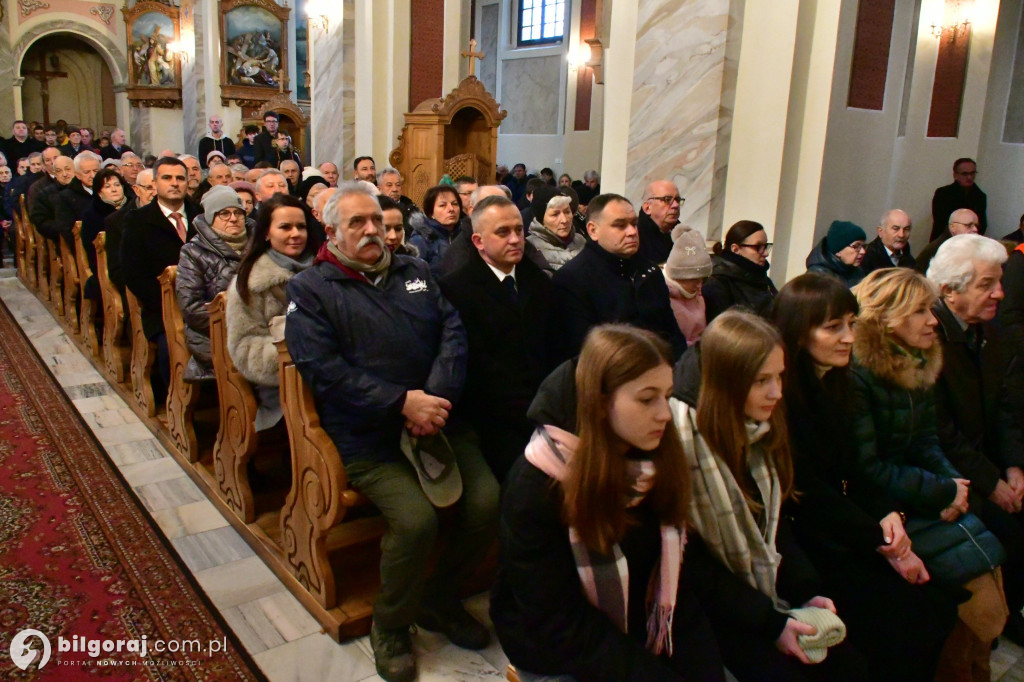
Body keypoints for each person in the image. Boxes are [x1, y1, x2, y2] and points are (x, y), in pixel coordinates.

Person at [285, 183, 498, 682]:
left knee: (488, 501)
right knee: (416, 521)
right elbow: (323, 370)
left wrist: (435, 398)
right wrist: (402, 402)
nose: (370, 231)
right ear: (333, 231)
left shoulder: (415, 270)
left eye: (376, 222)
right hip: (369, 435)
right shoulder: (312, 289)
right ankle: (390, 623)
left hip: (437, 421)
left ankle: (439, 598)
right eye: (357, 223)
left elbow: (452, 332)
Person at [492, 324, 725, 681]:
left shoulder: (652, 456)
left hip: (637, 627)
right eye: (647, 399)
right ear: (600, 404)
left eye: (667, 395)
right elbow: (559, 624)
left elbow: (680, 575)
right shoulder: (536, 485)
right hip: (555, 650)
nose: (665, 413)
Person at [771, 273, 958, 681]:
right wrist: (883, 542)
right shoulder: (782, 394)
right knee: (905, 620)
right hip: (805, 537)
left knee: (937, 606)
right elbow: (809, 492)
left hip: (841, 522)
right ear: (799, 333)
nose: (848, 338)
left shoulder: (837, 383)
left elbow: (855, 468)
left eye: (852, 324)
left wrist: (887, 515)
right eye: (833, 327)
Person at [674, 310, 868, 681]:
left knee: (851, 664)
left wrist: (804, 592)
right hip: (708, 608)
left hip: (758, 593)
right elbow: (690, 563)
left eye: (779, 376)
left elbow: (774, 523)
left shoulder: (759, 426)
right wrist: (769, 621)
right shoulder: (681, 442)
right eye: (761, 380)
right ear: (726, 382)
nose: (777, 392)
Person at [849, 268, 1009, 681]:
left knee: (988, 560)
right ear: (887, 317)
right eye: (921, 311)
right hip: (883, 506)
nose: (933, 320)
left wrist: (956, 488)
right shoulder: (859, 375)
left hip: (917, 493)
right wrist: (942, 491)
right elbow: (867, 468)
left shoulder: (917, 361)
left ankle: (975, 668)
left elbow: (926, 442)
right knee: (968, 598)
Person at [927, 234, 1024, 644]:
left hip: (984, 464)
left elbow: (1006, 409)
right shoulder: (930, 338)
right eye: (987, 284)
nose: (1000, 293)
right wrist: (993, 483)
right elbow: (941, 432)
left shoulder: (991, 332)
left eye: (999, 282)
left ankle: (1005, 617)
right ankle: (987, 627)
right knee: (1006, 531)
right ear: (950, 290)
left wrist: (1015, 465)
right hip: (950, 473)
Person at [439, 195, 556, 480]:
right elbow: (475, 367)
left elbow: (553, 346)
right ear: (479, 241)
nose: (515, 239)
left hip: (542, 405)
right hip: (489, 416)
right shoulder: (457, 289)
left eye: (519, 230)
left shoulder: (538, 280)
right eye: (503, 232)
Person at [552, 193, 686, 361]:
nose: (632, 232)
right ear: (593, 230)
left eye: (634, 224)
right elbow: (583, 353)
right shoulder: (571, 280)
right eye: (620, 225)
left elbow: (672, 333)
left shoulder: (649, 271)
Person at [227, 194, 314, 430]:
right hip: (283, 386)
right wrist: (299, 353)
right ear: (266, 233)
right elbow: (244, 347)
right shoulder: (251, 282)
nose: (295, 234)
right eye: (285, 227)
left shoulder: (322, 269)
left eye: (301, 227)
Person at [121, 157, 202, 387]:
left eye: (180, 178)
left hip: (203, 304)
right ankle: (178, 400)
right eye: (167, 178)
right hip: (162, 308)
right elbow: (134, 275)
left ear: (188, 183)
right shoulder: (138, 220)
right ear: (155, 184)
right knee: (173, 345)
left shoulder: (201, 215)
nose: (174, 183)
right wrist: (173, 303)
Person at [176, 185, 253, 380]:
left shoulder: (261, 243)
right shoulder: (192, 252)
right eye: (224, 214)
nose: (234, 219)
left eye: (238, 212)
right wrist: (243, 320)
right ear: (210, 218)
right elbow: (191, 308)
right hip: (214, 336)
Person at [703, 220, 778, 322]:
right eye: (758, 247)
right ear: (735, 249)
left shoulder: (763, 279)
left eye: (766, 246)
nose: (765, 253)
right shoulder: (718, 283)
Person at [79, 168, 129, 309]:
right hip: (108, 264)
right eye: (107, 186)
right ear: (99, 192)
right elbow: (92, 249)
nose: (114, 189)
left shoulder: (133, 208)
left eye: (117, 185)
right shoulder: (92, 214)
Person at [102, 168, 155, 295]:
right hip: (142, 290)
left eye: (158, 188)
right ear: (136, 190)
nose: (155, 193)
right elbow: (117, 271)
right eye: (149, 188)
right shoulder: (117, 221)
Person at [663, 225, 712, 344]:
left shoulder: (696, 294)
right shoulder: (663, 295)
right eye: (695, 280)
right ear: (680, 277)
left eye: (702, 280)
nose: (699, 285)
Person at [525, 185, 586, 274]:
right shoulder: (530, 247)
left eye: (567, 212)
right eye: (555, 214)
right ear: (542, 219)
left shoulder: (581, 240)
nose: (564, 220)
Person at [407, 184, 463, 278]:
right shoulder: (420, 239)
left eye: (455, 204)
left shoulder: (465, 234)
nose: (451, 209)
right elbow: (415, 277)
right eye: (442, 205)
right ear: (431, 213)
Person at [931, 158, 987, 239]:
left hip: (970, 240)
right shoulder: (943, 194)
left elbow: (982, 224)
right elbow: (940, 222)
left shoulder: (980, 196)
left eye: (972, 173)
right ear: (955, 175)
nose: (969, 177)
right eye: (965, 174)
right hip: (943, 240)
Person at [54, 150, 101, 248]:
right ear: (78, 175)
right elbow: (68, 232)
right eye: (87, 172)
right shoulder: (65, 197)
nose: (93, 176)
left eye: (96, 171)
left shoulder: (110, 191)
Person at [916, 207, 979, 275]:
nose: (975, 229)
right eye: (969, 225)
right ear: (952, 227)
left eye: (976, 225)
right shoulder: (938, 249)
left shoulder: (969, 246)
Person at [805, 220, 866, 288]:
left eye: (863, 246)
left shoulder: (857, 272)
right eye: (856, 246)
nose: (863, 251)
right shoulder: (817, 276)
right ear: (838, 251)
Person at [637, 181, 684, 265]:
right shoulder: (635, 236)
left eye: (677, 199)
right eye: (667, 199)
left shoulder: (684, 235)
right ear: (647, 207)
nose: (676, 205)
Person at [30, 155, 74, 242]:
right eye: (59, 171)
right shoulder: (45, 194)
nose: (65, 174)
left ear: (75, 169)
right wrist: (64, 230)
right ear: (54, 174)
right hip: (62, 239)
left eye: (68, 169)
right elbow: (41, 221)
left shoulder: (88, 190)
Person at [862, 209, 916, 274]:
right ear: (880, 231)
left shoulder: (909, 261)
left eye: (906, 229)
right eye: (896, 229)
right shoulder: (866, 258)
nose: (901, 235)